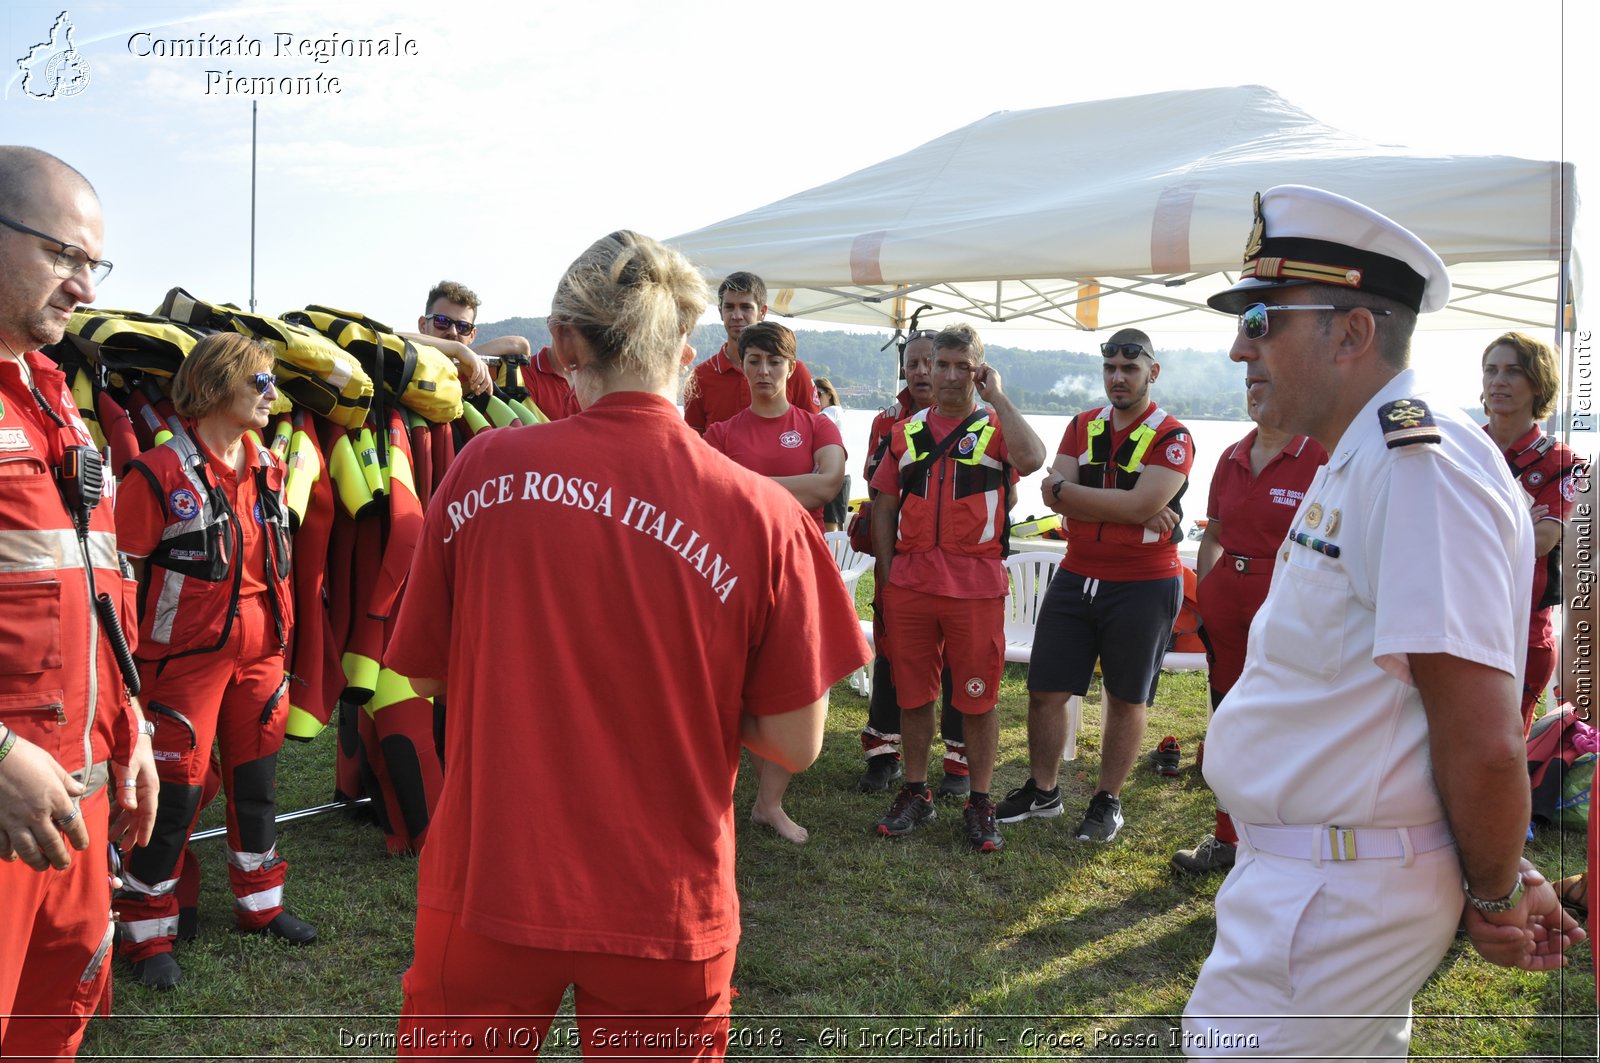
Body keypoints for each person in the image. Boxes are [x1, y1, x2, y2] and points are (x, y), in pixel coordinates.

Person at [386, 231, 868, 1058]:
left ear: (564, 341)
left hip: (489, 881)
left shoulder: (481, 467)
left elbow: (425, 673)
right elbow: (796, 740)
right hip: (667, 904)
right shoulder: (765, 515)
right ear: (686, 349)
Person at [1184, 185, 1585, 1058]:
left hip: (1331, 897)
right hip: (1316, 877)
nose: (1237, 346)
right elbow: (1392, 719)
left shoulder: (1416, 465)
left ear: (1353, 332)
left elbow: (1481, 733)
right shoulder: (1363, 456)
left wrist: (1491, 895)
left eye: (1263, 320)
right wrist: (1497, 865)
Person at [0, 145, 157, 1058]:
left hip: (75, 811)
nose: (85, 286)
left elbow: (94, 590)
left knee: (51, 1032)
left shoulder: (62, 404)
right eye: (65, 255)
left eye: (95, 263)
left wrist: (129, 720)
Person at [114, 332, 316, 990]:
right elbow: (121, 584)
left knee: (256, 788)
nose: (272, 395)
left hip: (262, 656)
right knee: (171, 803)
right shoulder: (155, 473)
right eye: (260, 382)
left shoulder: (270, 466)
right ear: (213, 387)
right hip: (184, 665)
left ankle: (262, 906)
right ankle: (146, 932)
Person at [1000, 329, 1193, 842]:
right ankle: (1043, 791)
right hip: (1077, 572)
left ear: (1152, 372)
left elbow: (1081, 495)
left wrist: (1077, 493)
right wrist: (1134, 505)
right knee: (1045, 689)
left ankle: (1107, 800)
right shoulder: (1082, 425)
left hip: (1144, 582)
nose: (1118, 378)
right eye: (1110, 368)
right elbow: (1052, 496)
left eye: (1129, 369)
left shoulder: (1173, 436)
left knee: (1126, 696)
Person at [869, 323, 1046, 852]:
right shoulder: (905, 432)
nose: (947, 376)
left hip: (975, 586)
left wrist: (1000, 398)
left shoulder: (995, 429)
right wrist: (885, 576)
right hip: (912, 584)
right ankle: (916, 791)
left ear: (979, 369)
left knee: (977, 698)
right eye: (938, 365)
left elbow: (1033, 460)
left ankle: (981, 802)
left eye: (960, 366)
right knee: (915, 694)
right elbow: (883, 509)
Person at [1169, 393, 1326, 874]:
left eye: (1270, 381)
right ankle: (1227, 837)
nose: (1260, 391)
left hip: (1286, 598)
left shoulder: (1318, 455)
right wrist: (1209, 590)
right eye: (1252, 382)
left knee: (1287, 724)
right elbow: (1213, 533)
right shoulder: (1231, 454)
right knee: (1229, 718)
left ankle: (1286, 845)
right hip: (1227, 599)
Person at [704, 320, 846, 843]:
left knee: (793, 685)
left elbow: (828, 484)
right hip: (733, 573)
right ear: (742, 367)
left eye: (774, 362)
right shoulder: (720, 433)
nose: (763, 372)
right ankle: (724, 796)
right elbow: (709, 494)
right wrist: (789, 487)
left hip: (798, 570)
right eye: (754, 362)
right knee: (731, 687)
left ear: (791, 367)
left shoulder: (816, 427)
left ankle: (769, 805)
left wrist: (744, 483)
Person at [856, 331, 967, 797]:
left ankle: (959, 763)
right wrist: (886, 568)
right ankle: (884, 754)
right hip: (901, 562)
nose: (924, 372)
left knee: (959, 661)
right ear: (904, 368)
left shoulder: (982, 419)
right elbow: (878, 489)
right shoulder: (887, 421)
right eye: (915, 363)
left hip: (958, 569)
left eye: (932, 363)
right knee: (894, 655)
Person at [1481, 331, 1580, 734]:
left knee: (1502, 757)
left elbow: (1540, 542)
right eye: (1491, 370)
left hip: (1523, 634)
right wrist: (1521, 515)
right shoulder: (1456, 449)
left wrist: (1476, 520)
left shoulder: (1564, 462)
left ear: (1538, 384)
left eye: (1513, 372)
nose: (1497, 381)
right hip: (1453, 621)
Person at [683, 271, 820, 433]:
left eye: (746, 307)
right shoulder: (700, 377)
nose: (736, 315)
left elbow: (814, 431)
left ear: (762, 311)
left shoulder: (794, 372)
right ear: (720, 312)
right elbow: (694, 442)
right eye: (729, 307)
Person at [397, 280, 501, 399]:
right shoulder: (404, 356)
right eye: (442, 321)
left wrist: (468, 357)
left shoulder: (468, 367)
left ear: (472, 335)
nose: (453, 332)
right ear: (423, 325)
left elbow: (520, 345)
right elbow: (381, 335)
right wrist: (457, 349)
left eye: (463, 326)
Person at [813, 376, 850, 531]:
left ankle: (832, 556)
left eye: (818, 395)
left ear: (829, 394)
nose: (816, 399)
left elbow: (814, 422)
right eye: (812, 396)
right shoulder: (836, 412)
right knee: (834, 525)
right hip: (839, 476)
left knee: (831, 526)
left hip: (834, 477)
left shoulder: (831, 411)